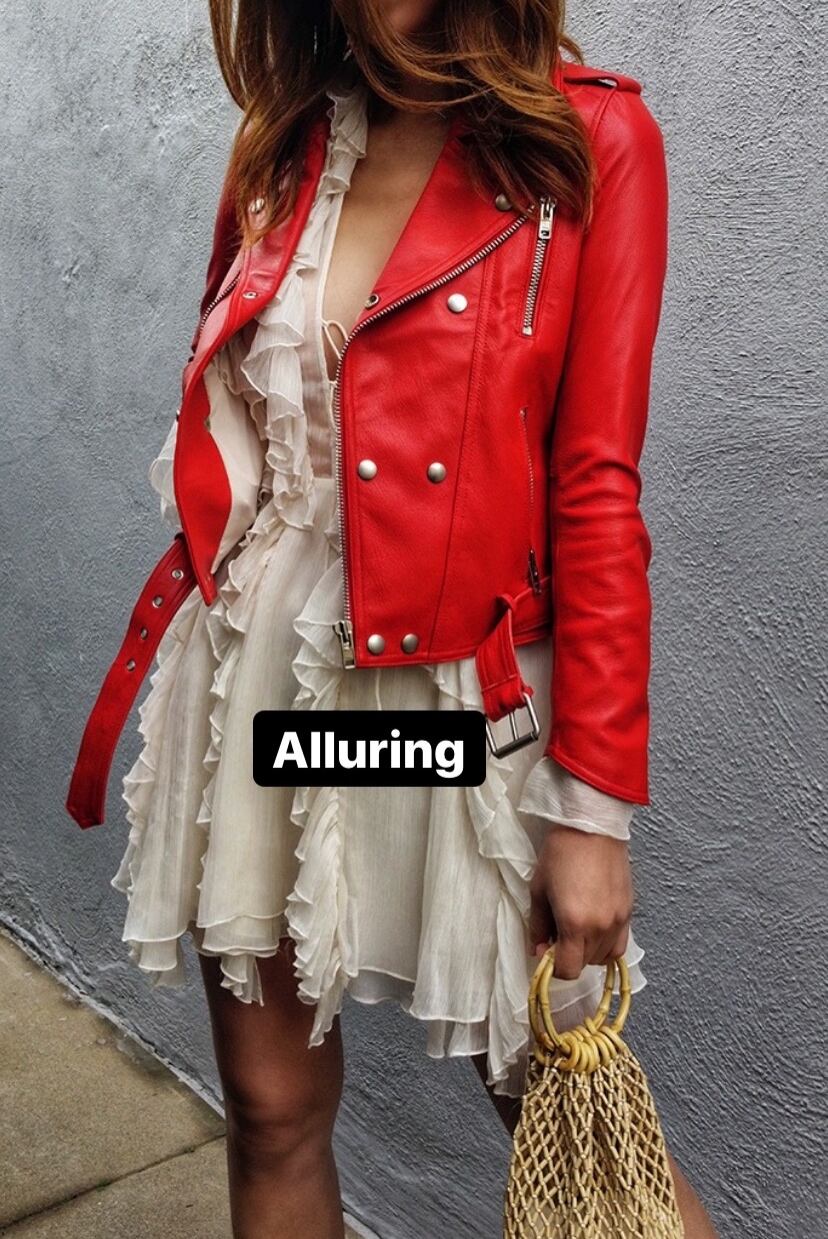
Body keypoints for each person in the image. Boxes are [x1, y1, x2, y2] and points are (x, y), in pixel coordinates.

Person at [67, 1, 719, 1235]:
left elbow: (596, 487)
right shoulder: (284, 146)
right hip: (262, 682)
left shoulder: (591, 143)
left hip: (458, 706)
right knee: (269, 1113)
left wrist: (591, 813)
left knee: (576, 1126)